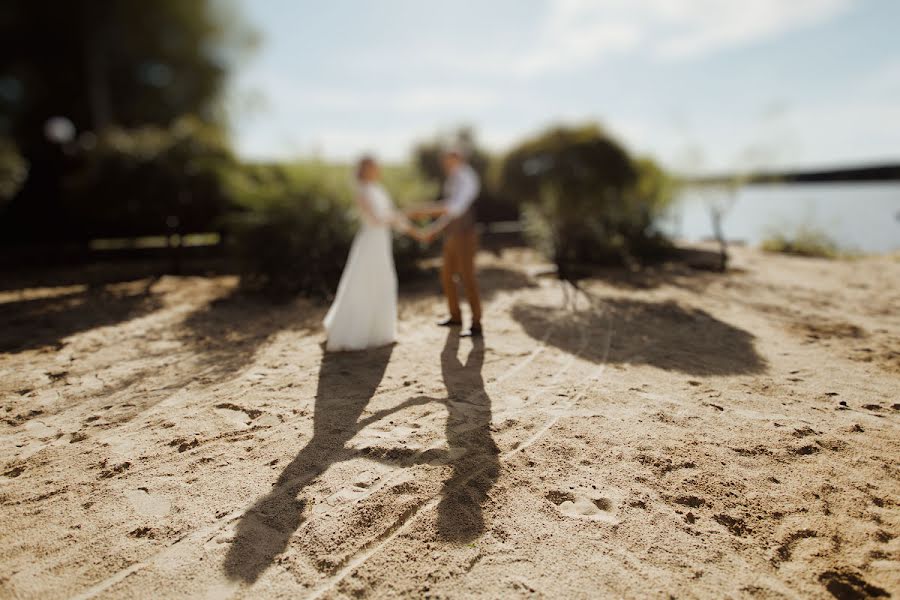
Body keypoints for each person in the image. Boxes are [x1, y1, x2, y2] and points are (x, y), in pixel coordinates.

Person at [323, 156, 421, 352]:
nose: (377, 169)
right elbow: (375, 220)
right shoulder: (361, 191)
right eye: (373, 166)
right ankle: (357, 333)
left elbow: (392, 216)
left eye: (377, 166)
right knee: (365, 282)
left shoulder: (379, 189)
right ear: (364, 169)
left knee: (383, 280)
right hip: (370, 242)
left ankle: (379, 331)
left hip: (382, 241)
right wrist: (403, 214)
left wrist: (416, 233)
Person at [410, 149, 483, 337]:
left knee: (467, 277)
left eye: (448, 160)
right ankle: (455, 316)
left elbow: (455, 209)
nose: (445, 164)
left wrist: (425, 211)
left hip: (465, 235)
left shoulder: (467, 177)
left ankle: (476, 324)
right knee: (447, 276)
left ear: (458, 158)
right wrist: (435, 229)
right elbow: (449, 213)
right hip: (451, 235)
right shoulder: (453, 178)